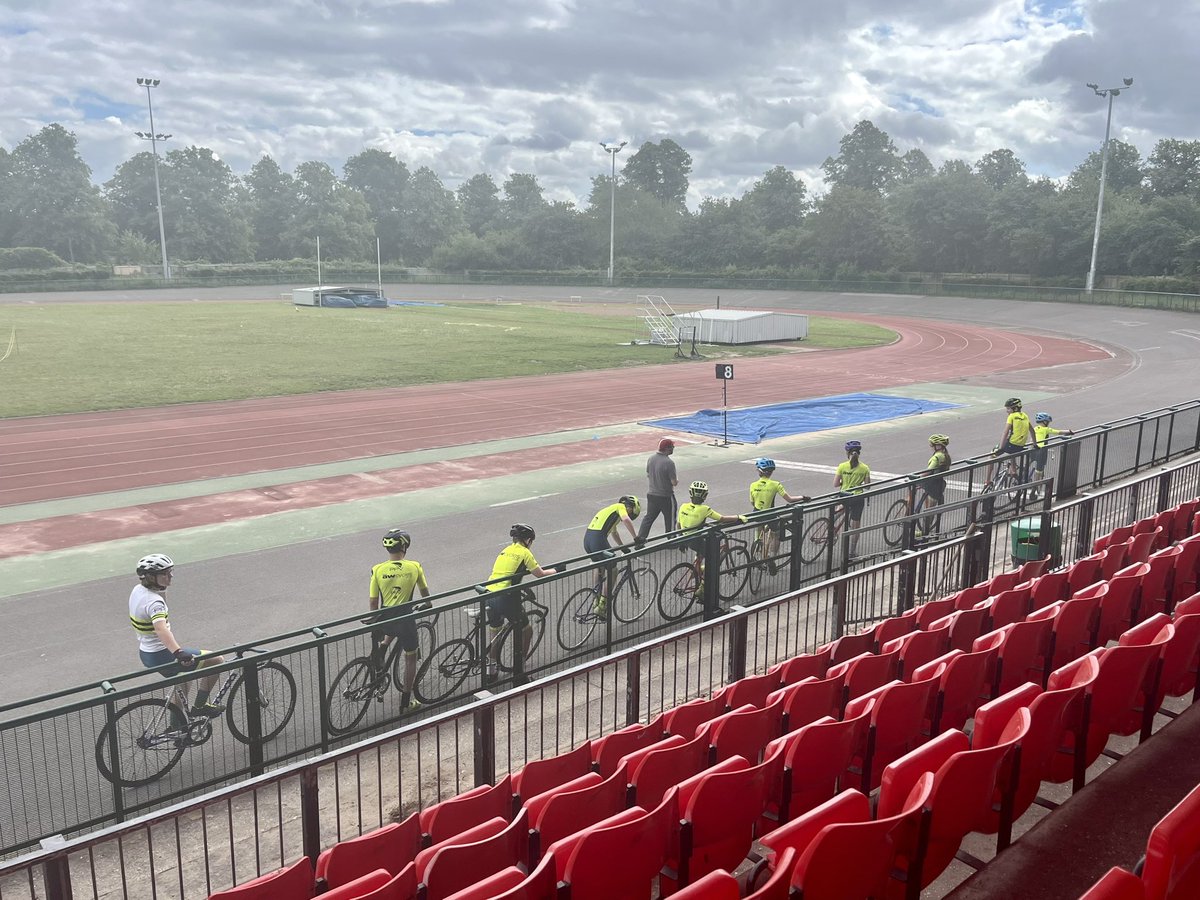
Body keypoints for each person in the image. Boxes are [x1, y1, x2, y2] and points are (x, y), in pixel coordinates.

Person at [128, 553, 227, 717]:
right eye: (165, 573)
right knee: (217, 660)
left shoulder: (138, 590)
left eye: (170, 571)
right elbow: (161, 629)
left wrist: (162, 588)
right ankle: (200, 707)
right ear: (152, 577)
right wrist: (178, 652)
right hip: (163, 655)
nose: (170, 576)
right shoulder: (154, 602)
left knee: (184, 680)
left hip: (147, 653)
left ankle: (177, 726)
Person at [368, 529, 431, 712]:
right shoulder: (415, 566)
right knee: (410, 659)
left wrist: (376, 622)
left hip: (385, 618)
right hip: (405, 619)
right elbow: (424, 591)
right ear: (404, 546)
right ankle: (406, 702)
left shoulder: (377, 569)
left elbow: (373, 601)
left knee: (389, 632)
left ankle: (382, 648)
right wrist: (428, 604)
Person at [485, 523, 558, 676]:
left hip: (489, 595)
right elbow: (540, 574)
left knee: (495, 634)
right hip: (506, 598)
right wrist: (557, 570)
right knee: (527, 631)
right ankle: (520, 669)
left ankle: (491, 671)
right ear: (528, 540)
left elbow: (507, 573)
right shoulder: (525, 553)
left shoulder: (505, 551)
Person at [748, 458, 809, 574]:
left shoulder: (752, 485)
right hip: (770, 514)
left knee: (759, 528)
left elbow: (752, 502)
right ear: (771, 472)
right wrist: (803, 497)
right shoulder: (775, 485)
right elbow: (790, 499)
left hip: (756, 513)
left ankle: (757, 545)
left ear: (759, 471)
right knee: (775, 535)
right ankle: (771, 557)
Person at [678, 480, 746, 584]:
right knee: (713, 560)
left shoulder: (683, 506)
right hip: (696, 541)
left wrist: (680, 540)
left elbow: (678, 525)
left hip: (686, 539)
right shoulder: (705, 509)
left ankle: (696, 574)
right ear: (705, 496)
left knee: (701, 555)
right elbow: (722, 518)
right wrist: (737, 517)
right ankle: (703, 587)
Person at [584, 495, 641, 614]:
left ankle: (596, 598)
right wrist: (636, 538)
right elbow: (626, 520)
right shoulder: (620, 507)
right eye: (632, 514)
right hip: (598, 539)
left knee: (598, 565)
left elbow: (614, 533)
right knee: (613, 569)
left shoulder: (611, 510)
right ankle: (603, 605)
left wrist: (623, 547)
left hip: (588, 540)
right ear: (630, 508)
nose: (629, 515)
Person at [636, 439, 678, 544]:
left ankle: (640, 539)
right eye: (672, 447)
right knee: (670, 519)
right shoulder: (669, 463)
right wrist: (676, 481)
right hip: (666, 496)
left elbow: (648, 474)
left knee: (649, 518)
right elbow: (673, 482)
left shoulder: (651, 459)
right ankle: (671, 540)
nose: (673, 448)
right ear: (667, 449)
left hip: (652, 494)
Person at [834, 441, 871, 555]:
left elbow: (835, 484)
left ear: (847, 453)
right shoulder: (865, 468)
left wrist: (844, 483)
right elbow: (868, 487)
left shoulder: (842, 466)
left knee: (838, 511)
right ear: (859, 453)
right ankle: (852, 552)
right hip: (857, 498)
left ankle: (831, 524)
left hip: (844, 496)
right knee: (856, 527)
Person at [989, 397, 1032, 483]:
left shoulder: (1011, 416)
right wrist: (1035, 444)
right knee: (1012, 448)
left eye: (1008, 408)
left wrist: (1001, 448)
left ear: (1015, 408)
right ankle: (1013, 470)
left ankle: (987, 480)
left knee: (991, 455)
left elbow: (1005, 433)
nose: (1007, 411)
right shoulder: (1025, 416)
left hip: (1012, 445)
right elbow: (1032, 432)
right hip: (1020, 446)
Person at [1031, 413, 1075, 495]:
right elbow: (1058, 432)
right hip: (1041, 450)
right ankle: (1034, 487)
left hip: (1032, 449)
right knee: (1039, 471)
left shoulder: (1035, 428)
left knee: (1028, 465)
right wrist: (1069, 432)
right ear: (1044, 422)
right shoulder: (1046, 429)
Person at [917, 434, 952, 536]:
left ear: (938, 446)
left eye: (932, 445)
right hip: (939, 484)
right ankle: (925, 530)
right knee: (930, 508)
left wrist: (918, 479)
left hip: (932, 485)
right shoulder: (946, 456)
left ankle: (924, 532)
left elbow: (929, 471)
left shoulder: (937, 457)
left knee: (929, 511)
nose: (931, 447)